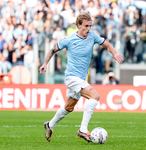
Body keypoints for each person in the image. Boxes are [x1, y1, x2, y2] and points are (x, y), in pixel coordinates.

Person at [39, 12, 123, 143]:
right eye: (85, 26)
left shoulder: (92, 36)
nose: (88, 29)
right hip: (72, 77)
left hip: (81, 79)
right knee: (95, 96)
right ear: (78, 25)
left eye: (90, 26)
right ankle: (83, 129)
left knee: (68, 108)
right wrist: (45, 63)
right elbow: (52, 50)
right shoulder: (69, 39)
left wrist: (115, 53)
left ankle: (50, 125)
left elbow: (106, 44)